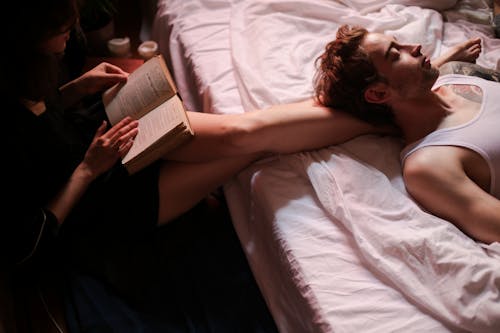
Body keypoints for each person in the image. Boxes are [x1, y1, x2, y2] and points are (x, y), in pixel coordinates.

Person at [314, 24, 500, 244]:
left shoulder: (455, 73)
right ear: (378, 93)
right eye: (396, 54)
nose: (415, 47)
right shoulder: (428, 165)